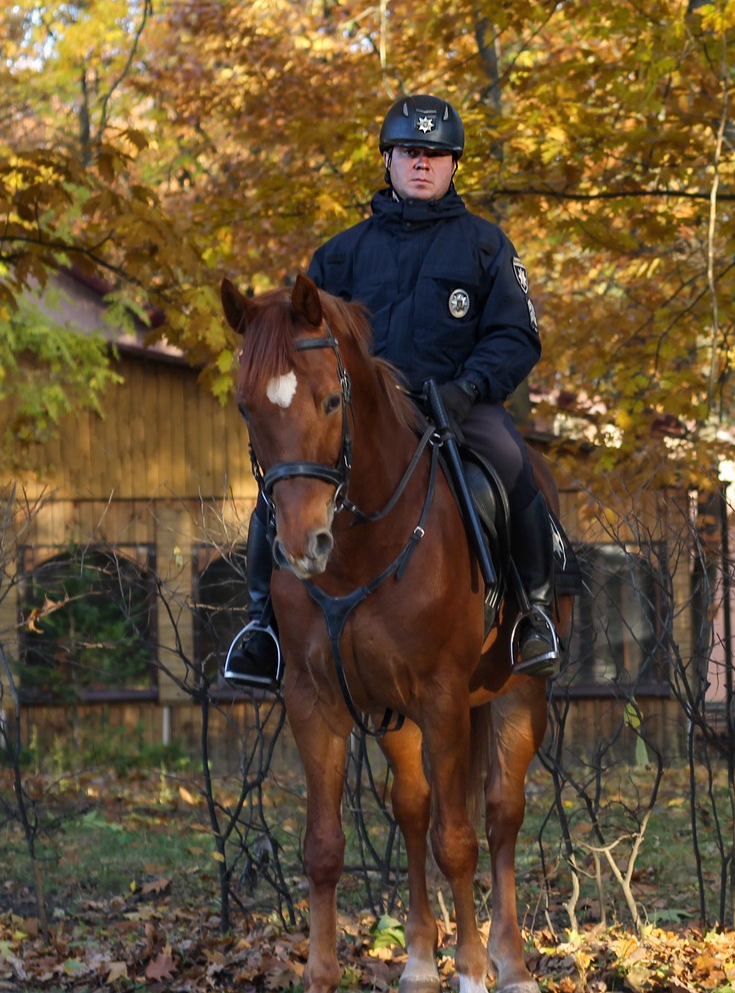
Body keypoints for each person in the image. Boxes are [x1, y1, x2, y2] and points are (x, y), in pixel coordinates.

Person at [224, 94, 561, 687]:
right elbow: (305, 345)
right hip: (361, 417)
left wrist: (470, 387)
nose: (422, 164)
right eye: (410, 152)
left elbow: (516, 334)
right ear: (389, 160)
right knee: (282, 481)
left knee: (515, 466)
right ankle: (261, 628)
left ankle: (533, 614)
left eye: (436, 153)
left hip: (458, 406)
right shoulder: (340, 254)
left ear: (454, 164)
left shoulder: (487, 246)